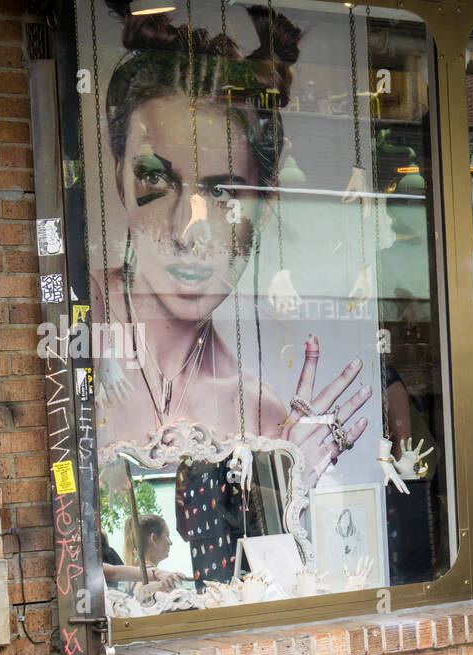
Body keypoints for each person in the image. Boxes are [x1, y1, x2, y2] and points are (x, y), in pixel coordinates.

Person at [93, 2, 369, 486]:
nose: (186, 231)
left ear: (265, 202)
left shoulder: (262, 413)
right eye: (157, 179)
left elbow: (261, 554)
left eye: (220, 192)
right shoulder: (80, 315)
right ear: (120, 177)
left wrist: (289, 482)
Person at [107, 513, 187, 592]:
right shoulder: (158, 582)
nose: (170, 542)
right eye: (167, 535)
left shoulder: (131, 581)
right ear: (154, 539)